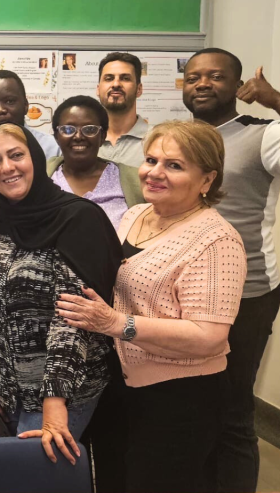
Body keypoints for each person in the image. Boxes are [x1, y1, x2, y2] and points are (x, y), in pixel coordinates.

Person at [57, 120, 246, 493]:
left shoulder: (217, 240)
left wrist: (117, 323)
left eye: (174, 165)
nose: (154, 172)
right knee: (113, 479)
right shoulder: (136, 215)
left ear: (207, 179)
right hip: (121, 384)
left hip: (179, 398)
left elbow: (208, 337)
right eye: (150, 159)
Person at [0, 123, 121, 465]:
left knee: (33, 478)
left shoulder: (77, 219)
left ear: (35, 157)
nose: (7, 167)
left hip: (66, 392)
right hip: (4, 391)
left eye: (16, 155)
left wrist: (54, 400)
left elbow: (73, 318)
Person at [182, 48, 280, 492]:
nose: (202, 83)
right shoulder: (179, 139)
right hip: (185, 292)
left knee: (234, 410)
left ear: (238, 85)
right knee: (195, 408)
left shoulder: (264, 135)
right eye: (194, 76)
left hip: (247, 293)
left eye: (215, 76)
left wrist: (276, 100)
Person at [48, 95, 144, 227]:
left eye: (90, 129)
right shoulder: (43, 178)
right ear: (57, 137)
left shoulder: (132, 180)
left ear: (103, 136)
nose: (78, 136)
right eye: (68, 129)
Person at [97, 52, 148, 168]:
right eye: (109, 78)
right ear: (98, 89)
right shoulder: (85, 139)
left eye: (125, 78)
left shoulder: (159, 139)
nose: (116, 84)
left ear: (139, 89)